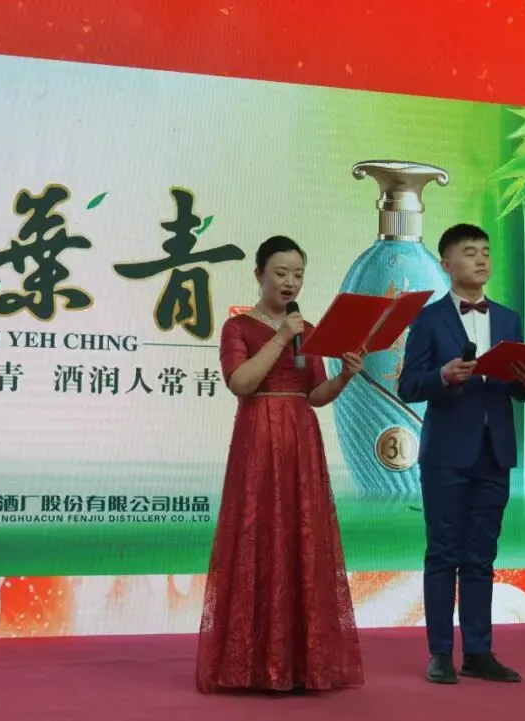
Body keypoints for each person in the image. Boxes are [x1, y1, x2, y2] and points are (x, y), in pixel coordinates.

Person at [195, 235, 365, 694]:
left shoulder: (309, 329)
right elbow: (241, 382)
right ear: (259, 275)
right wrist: (282, 336)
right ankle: (251, 665)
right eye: (281, 273)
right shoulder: (238, 327)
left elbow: (316, 393)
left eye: (298, 274)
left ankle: (303, 664)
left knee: (301, 535)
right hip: (258, 435)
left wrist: (346, 376)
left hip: (300, 437)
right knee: (257, 532)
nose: (290, 282)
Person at [397, 224, 525, 685]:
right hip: (446, 455)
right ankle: (440, 652)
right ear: (446, 264)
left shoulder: (509, 319)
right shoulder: (428, 320)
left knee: (481, 556)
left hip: (494, 452)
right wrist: (442, 376)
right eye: (469, 252)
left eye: (485, 251)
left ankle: (478, 651)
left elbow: (519, 387)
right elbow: (408, 385)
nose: (481, 259)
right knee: (443, 554)